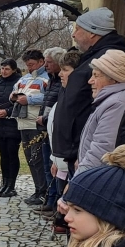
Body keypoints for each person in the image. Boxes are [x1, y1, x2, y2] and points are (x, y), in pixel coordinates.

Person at [51, 7, 125, 178]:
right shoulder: (93, 56)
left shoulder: (110, 57)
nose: (73, 34)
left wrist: (82, 160)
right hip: (80, 153)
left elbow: (104, 140)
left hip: (88, 160)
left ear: (93, 32)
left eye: (78, 29)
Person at [75, 50, 125, 175]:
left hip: (97, 176)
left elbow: (102, 149)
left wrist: (79, 178)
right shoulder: (114, 99)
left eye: (96, 75)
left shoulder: (117, 103)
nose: (90, 81)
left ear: (114, 78)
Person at [47, 50, 82, 235]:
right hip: (61, 159)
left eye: (65, 70)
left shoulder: (78, 98)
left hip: (72, 161)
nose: (60, 74)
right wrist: (55, 158)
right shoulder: (64, 92)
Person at [12, 50, 49, 206]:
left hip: (36, 123)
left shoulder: (47, 78)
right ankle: (38, 189)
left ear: (41, 62)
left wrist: (29, 99)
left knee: (38, 158)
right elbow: (14, 90)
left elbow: (50, 96)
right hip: (23, 123)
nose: (29, 68)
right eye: (27, 65)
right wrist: (13, 96)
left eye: (32, 64)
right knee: (30, 159)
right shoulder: (24, 78)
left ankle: (44, 192)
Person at [36, 47, 65, 212]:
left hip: (54, 129)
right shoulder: (51, 80)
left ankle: (55, 203)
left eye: (49, 62)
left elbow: (60, 108)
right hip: (45, 128)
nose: (45, 65)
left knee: (55, 167)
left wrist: (45, 119)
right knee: (48, 166)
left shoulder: (63, 81)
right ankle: (50, 199)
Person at [0, 59, 22, 197]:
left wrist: (7, 112)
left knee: (12, 154)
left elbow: (20, 102)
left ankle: (11, 185)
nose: (4, 71)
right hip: (0, 124)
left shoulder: (19, 82)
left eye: (7, 69)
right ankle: (4, 183)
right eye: (2, 68)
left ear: (13, 69)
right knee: (3, 155)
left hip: (13, 124)